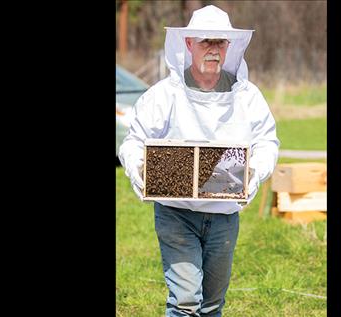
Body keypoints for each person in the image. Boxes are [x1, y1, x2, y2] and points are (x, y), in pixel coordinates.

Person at [119, 5, 279, 316]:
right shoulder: (164, 95)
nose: (213, 49)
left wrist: (255, 171)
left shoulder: (247, 97)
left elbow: (267, 142)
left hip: (224, 215)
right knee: (185, 300)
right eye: (205, 42)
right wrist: (140, 168)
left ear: (229, 47)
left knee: (213, 303)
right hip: (176, 214)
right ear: (189, 44)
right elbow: (134, 141)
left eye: (220, 42)